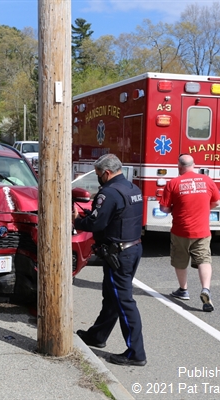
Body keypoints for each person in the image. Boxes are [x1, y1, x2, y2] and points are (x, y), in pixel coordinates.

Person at [72, 154, 146, 367]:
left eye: (98, 175)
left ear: (106, 172)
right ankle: (98, 335)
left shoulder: (110, 193)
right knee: (112, 297)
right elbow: (117, 218)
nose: (98, 179)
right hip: (132, 249)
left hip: (119, 254)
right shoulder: (132, 189)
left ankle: (136, 353)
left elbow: (96, 223)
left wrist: (77, 219)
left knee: (124, 302)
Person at [159, 154, 220, 312]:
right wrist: (205, 209)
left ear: (179, 167)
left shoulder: (173, 183)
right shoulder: (207, 180)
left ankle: (183, 289)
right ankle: (205, 289)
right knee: (203, 259)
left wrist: (174, 208)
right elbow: (216, 201)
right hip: (202, 229)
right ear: (195, 165)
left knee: (180, 259)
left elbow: (164, 208)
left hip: (181, 229)